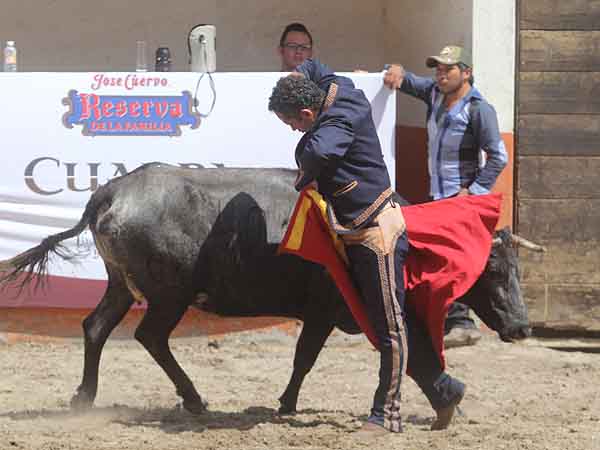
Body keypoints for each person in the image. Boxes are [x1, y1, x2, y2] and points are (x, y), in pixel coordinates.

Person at [269, 58, 466, 436]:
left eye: (293, 122)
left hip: (375, 234)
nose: (294, 129)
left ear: (309, 112)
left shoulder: (336, 125)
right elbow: (316, 66)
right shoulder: (339, 88)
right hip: (354, 231)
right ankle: (443, 390)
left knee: (389, 328)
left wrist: (302, 160)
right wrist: (300, 70)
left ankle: (387, 415)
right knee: (383, 326)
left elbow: (317, 155)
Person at [383, 45, 508, 349]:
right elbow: (404, 79)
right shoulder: (435, 93)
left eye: (448, 69)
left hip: (460, 195)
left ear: (467, 73)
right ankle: (455, 321)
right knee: (444, 258)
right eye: (438, 69)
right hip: (438, 193)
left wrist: (473, 192)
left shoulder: (480, 109)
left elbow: (498, 156)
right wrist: (388, 70)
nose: (441, 75)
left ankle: (463, 323)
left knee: (455, 260)